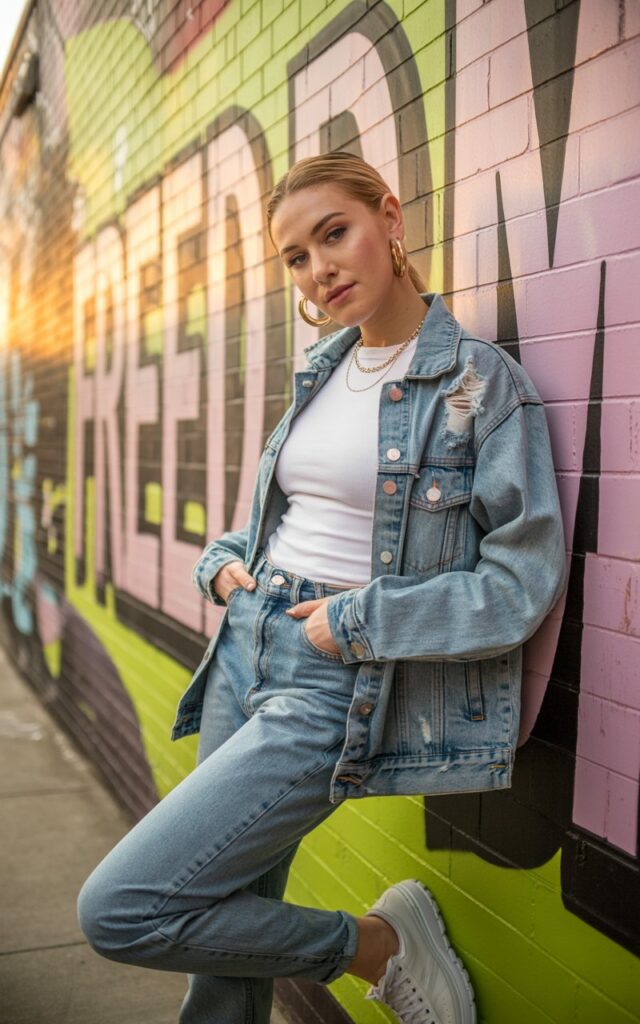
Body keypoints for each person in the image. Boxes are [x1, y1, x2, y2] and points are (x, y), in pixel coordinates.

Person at [77, 152, 566, 1024]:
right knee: (221, 913)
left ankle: (373, 946)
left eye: (334, 234)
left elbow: (519, 585)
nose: (319, 269)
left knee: (124, 908)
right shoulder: (325, 369)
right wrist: (229, 560)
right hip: (245, 642)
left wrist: (359, 620)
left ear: (390, 218)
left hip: (333, 673)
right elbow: (305, 519)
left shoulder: (480, 385)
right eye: (297, 256)